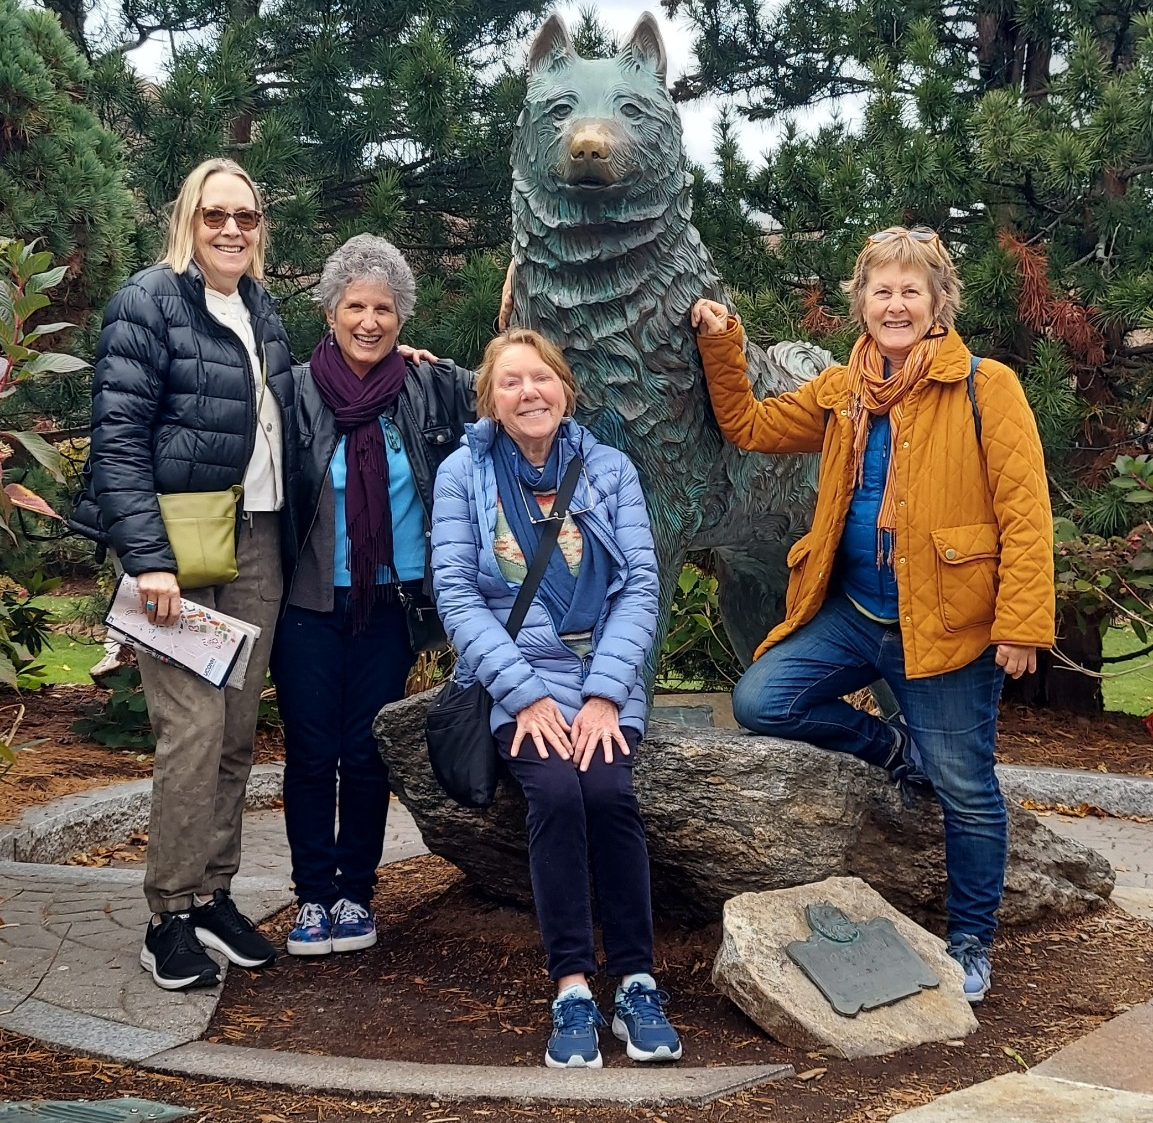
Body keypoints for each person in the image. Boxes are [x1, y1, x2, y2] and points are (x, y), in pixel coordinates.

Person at [691, 226, 1055, 1004]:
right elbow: (749, 427)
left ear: (937, 304)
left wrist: (1021, 623)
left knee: (966, 786)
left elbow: (1025, 512)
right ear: (860, 303)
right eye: (881, 291)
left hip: (948, 626)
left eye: (910, 291)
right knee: (763, 698)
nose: (894, 304)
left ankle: (969, 939)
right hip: (855, 612)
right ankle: (894, 746)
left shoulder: (985, 386)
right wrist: (725, 343)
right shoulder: (842, 388)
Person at [70, 158, 297, 990]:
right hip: (178, 549)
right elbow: (118, 440)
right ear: (188, 221)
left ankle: (213, 894)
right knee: (194, 730)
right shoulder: (149, 301)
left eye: (246, 215)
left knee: (236, 730)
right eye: (215, 216)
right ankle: (166, 913)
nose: (231, 229)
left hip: (257, 541)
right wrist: (148, 558)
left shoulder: (263, 310)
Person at [431, 328, 682, 1069]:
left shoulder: (607, 469)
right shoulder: (462, 475)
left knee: (606, 792)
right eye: (509, 382)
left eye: (539, 378)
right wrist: (526, 694)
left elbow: (639, 582)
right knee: (555, 796)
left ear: (565, 390)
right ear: (490, 400)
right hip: (520, 677)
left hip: (602, 675)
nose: (527, 392)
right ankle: (571, 985)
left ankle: (636, 979)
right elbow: (457, 592)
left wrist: (606, 693)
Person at [271, 235, 475, 957]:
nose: (368, 320)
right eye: (354, 305)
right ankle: (311, 896)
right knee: (311, 751)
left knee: (365, 752)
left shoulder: (429, 386)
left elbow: (519, 387)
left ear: (401, 318)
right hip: (307, 603)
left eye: (383, 308)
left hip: (390, 604)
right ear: (329, 312)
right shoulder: (291, 391)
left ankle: (355, 892)